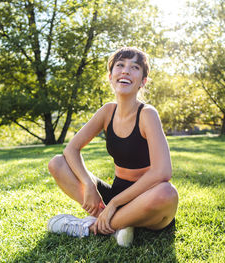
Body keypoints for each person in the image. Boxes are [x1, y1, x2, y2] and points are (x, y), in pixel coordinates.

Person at [47, 47, 178, 247]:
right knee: (57, 163)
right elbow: (70, 150)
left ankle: (90, 227)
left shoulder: (147, 114)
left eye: (134, 67)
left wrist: (115, 204)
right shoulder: (107, 111)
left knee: (167, 193)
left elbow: (162, 171)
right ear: (110, 76)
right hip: (114, 193)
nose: (126, 70)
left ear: (143, 81)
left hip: (146, 200)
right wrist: (89, 185)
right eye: (120, 65)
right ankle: (117, 225)